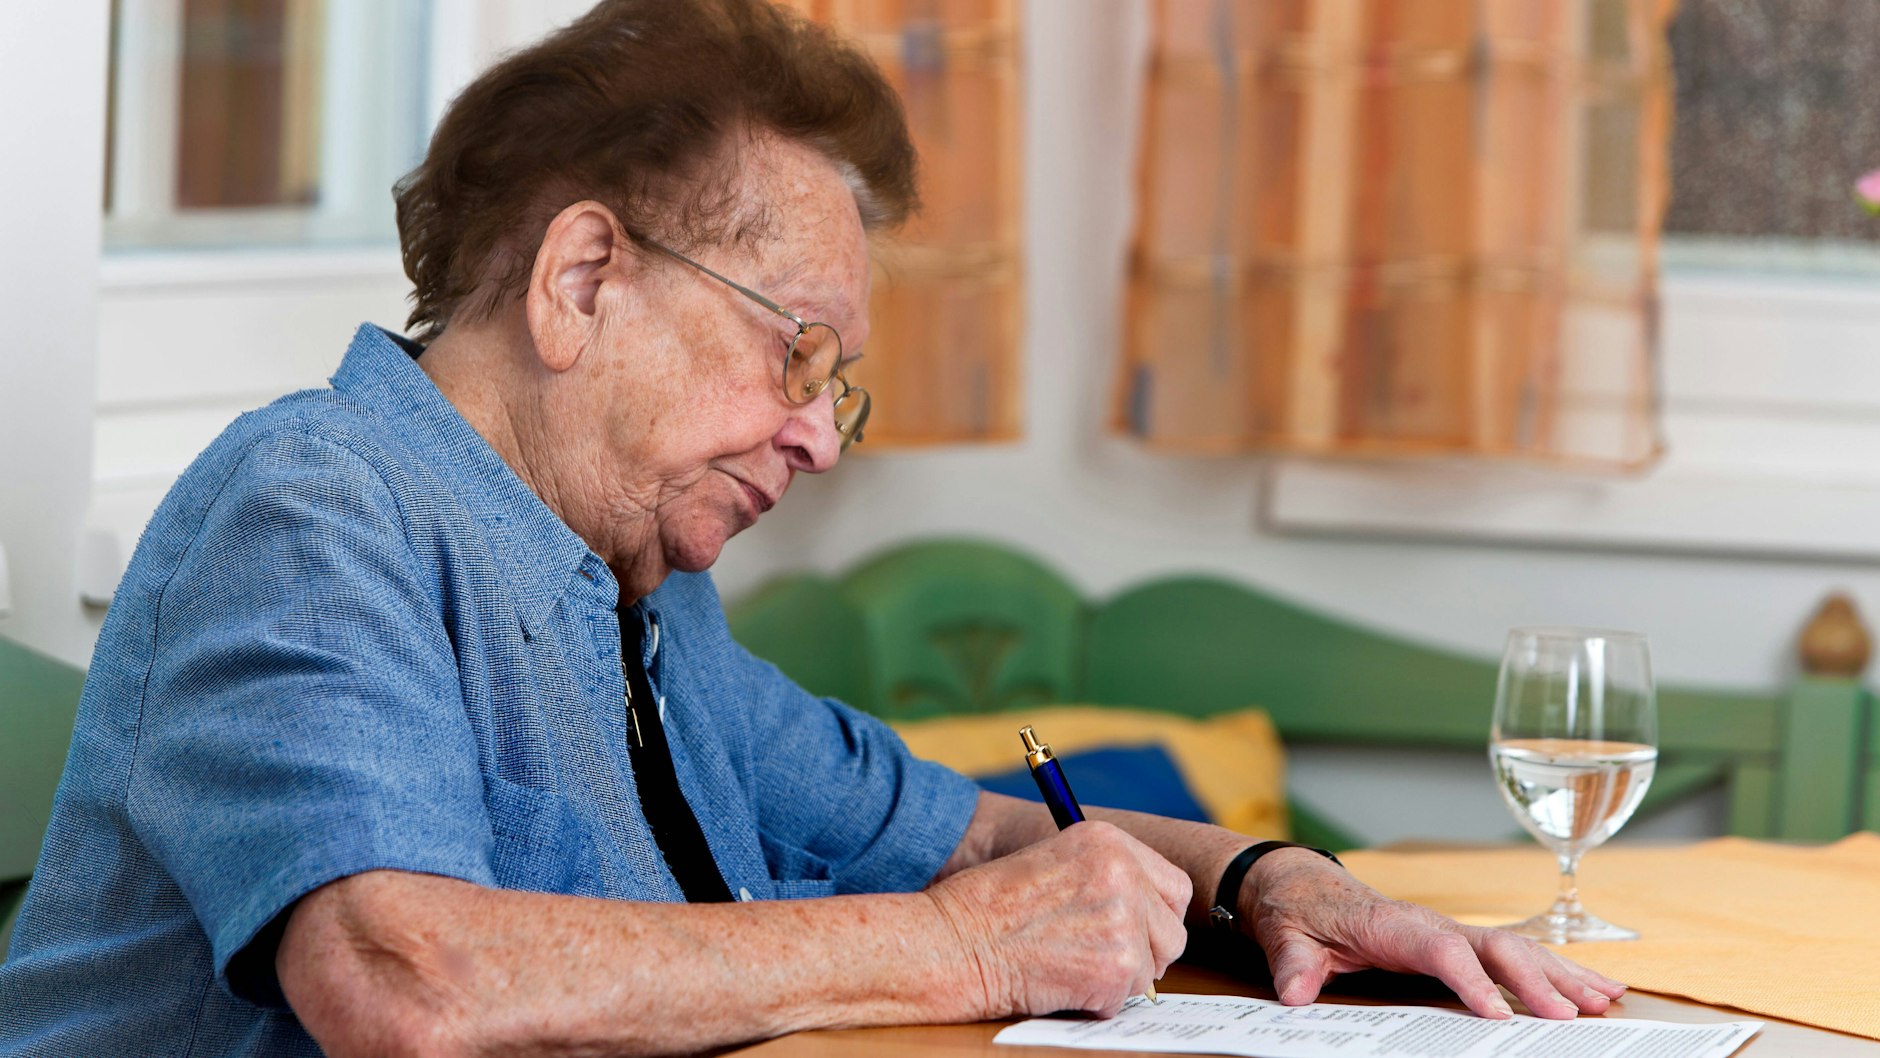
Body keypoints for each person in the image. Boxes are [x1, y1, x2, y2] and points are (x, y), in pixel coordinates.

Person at [0, 1, 1626, 1054]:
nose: (814, 439)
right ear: (582, 280)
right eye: (798, 354)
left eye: (832, 385)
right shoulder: (321, 505)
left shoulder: (640, 600)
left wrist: (1271, 877)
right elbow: (406, 980)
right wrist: (958, 953)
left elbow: (985, 840)